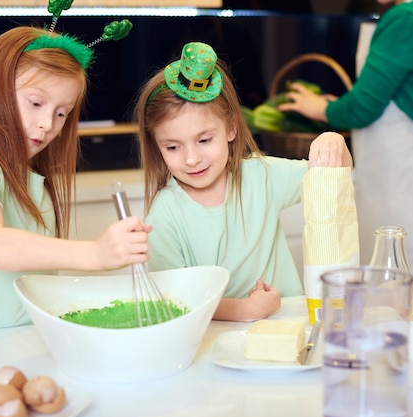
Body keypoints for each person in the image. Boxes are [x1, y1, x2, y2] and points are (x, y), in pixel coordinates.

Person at [0, 25, 151, 335]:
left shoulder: (33, 180)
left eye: (62, 113)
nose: (47, 124)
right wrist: (95, 253)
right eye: (35, 103)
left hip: (21, 342)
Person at [133, 42, 352, 322]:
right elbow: (173, 300)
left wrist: (334, 142)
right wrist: (244, 310)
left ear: (231, 128)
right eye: (173, 147)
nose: (191, 159)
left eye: (204, 140)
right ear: (157, 146)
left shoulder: (262, 176)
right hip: (213, 337)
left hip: (289, 322)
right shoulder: (164, 214)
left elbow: (336, 175)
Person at [278, 0, 413, 280]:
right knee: (412, 293)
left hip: (412, 176)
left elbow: (365, 106)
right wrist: (342, 103)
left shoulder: (407, 17)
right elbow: (398, 94)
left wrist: (321, 109)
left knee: (399, 294)